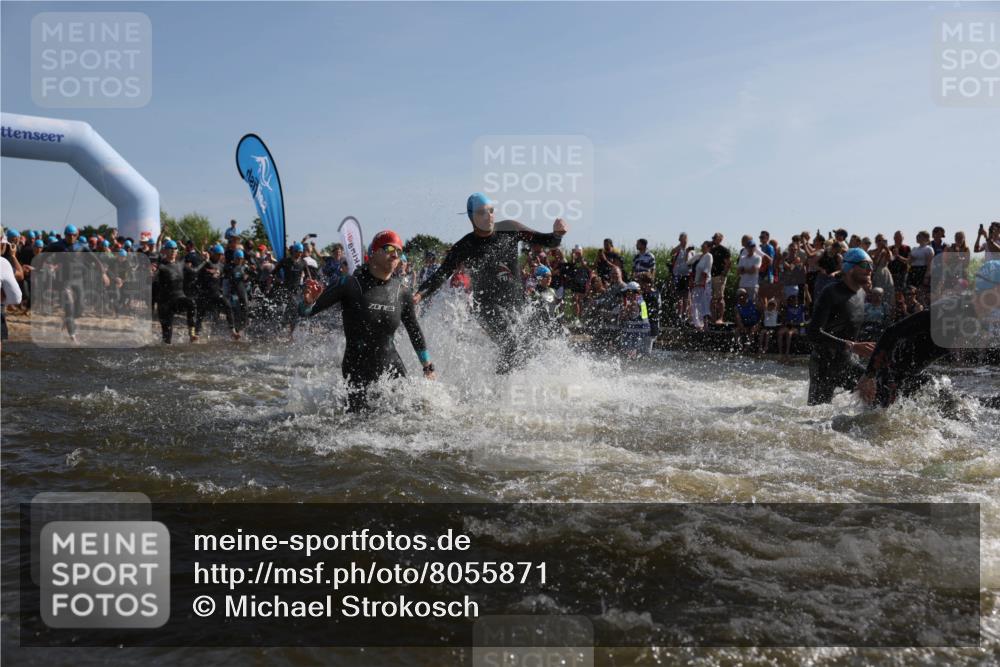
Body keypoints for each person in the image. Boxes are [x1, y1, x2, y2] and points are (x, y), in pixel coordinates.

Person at [413, 193, 568, 374]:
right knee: (511, 344)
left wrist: (557, 234)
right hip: (487, 307)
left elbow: (546, 240)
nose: (489, 216)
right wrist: (419, 294)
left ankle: (510, 385)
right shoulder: (465, 245)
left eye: (491, 211)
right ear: (471, 217)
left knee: (530, 347)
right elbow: (440, 275)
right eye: (482, 212)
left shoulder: (510, 228)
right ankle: (500, 389)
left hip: (517, 302)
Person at [301, 230, 435, 412]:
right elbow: (306, 312)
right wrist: (308, 302)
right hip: (357, 369)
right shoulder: (349, 284)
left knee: (412, 417)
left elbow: (414, 329)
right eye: (389, 248)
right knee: (359, 427)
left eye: (399, 250)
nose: (395, 254)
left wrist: (427, 366)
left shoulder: (402, 292)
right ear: (373, 252)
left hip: (392, 368)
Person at [856, 260, 1000, 409]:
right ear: (995, 289)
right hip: (890, 376)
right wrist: (869, 376)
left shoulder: (979, 318)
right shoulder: (951, 310)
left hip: (915, 376)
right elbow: (893, 332)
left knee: (961, 409)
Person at [806, 248, 876, 405]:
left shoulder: (861, 293)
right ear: (849, 268)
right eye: (865, 265)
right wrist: (852, 346)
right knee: (815, 417)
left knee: (874, 391)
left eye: (872, 266)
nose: (870, 270)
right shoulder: (830, 293)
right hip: (824, 364)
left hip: (847, 361)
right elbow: (812, 333)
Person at [154, 240, 197, 344]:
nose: (173, 251)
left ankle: (192, 333)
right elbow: (152, 280)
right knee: (167, 338)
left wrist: (206, 261)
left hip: (179, 299)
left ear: (177, 251)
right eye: (170, 249)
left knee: (191, 303)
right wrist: (151, 273)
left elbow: (194, 272)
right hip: (165, 303)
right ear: (165, 251)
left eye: (175, 249)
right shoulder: (161, 266)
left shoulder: (181, 264)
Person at [620, 281, 649, 358]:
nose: (626, 295)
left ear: (632, 292)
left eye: (627, 292)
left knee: (630, 356)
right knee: (637, 357)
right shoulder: (641, 301)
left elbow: (627, 317)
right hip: (641, 333)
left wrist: (625, 310)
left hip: (635, 334)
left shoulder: (635, 303)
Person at [690, 240, 713, 330]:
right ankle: (697, 324)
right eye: (702, 245)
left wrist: (703, 283)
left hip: (704, 283)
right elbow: (689, 264)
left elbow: (706, 270)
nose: (702, 247)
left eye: (704, 246)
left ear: (709, 247)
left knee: (704, 304)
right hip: (696, 284)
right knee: (695, 304)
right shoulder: (699, 256)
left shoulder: (708, 256)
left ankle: (705, 325)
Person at [709, 232, 731, 324]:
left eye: (715, 238)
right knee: (712, 298)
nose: (713, 239)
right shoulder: (711, 250)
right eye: (713, 238)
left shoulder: (724, 250)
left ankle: (720, 318)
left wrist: (723, 274)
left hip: (719, 276)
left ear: (720, 239)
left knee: (720, 298)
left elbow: (728, 263)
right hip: (711, 276)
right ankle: (713, 318)